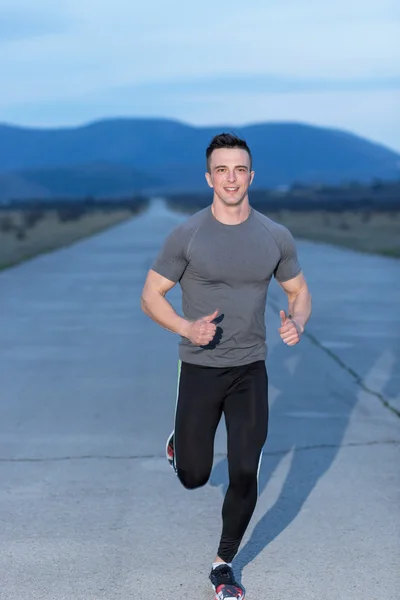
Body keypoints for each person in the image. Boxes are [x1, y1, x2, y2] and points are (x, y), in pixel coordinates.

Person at [141, 133, 312, 600]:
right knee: (195, 477)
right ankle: (182, 443)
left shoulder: (275, 236)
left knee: (243, 471)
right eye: (222, 170)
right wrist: (184, 327)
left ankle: (224, 565)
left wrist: (296, 322)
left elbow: (299, 293)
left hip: (249, 369)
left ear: (251, 176)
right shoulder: (188, 234)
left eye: (239, 169)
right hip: (198, 367)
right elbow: (150, 295)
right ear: (209, 177)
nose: (231, 178)